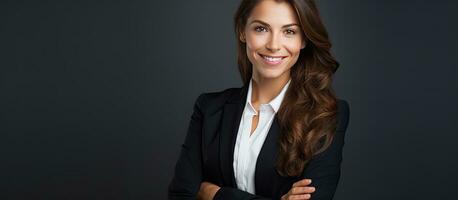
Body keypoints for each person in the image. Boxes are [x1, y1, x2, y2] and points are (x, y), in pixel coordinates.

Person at [168, 0, 350, 199]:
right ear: (242, 31)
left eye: (289, 31)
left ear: (304, 40)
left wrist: (216, 194)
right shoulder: (209, 108)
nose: (273, 45)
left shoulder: (327, 115)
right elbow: (180, 194)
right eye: (261, 28)